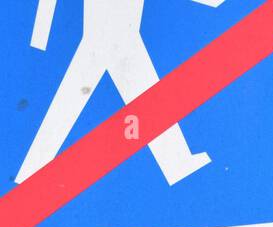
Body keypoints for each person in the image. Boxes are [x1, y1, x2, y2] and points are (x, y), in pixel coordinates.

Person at [16, 0, 225, 186]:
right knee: (76, 99)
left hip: (117, 38)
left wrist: (40, 36)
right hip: (113, 39)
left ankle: (177, 162)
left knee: (142, 96)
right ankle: (177, 162)